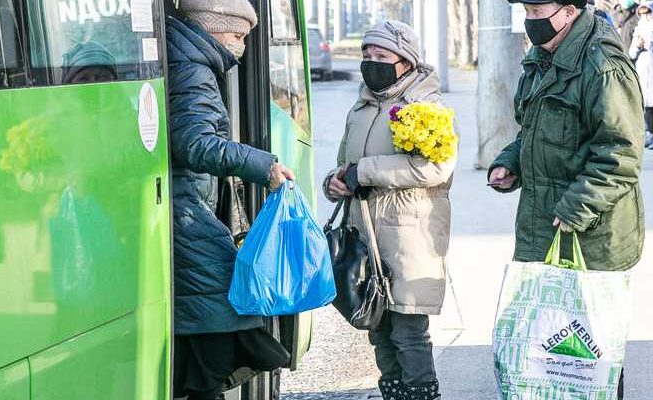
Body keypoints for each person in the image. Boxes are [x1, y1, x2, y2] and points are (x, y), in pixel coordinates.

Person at [491, 2, 645, 398]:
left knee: (592, 349)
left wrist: (576, 207)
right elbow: (532, 129)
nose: (531, 18)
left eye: (539, 8)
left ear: (570, 10)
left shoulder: (603, 65)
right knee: (548, 349)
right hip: (543, 226)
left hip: (593, 235)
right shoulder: (541, 56)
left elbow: (621, 154)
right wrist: (511, 163)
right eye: (526, 8)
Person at [165, 0, 295, 398]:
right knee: (221, 318)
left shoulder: (183, 56)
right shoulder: (194, 70)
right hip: (187, 215)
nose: (240, 48)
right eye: (237, 36)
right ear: (212, 28)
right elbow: (194, 143)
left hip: (188, 208)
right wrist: (262, 165)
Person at [323, 20, 455, 400]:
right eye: (367, 55)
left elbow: (436, 167)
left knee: (408, 331)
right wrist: (334, 182)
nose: (371, 63)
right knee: (377, 328)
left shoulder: (427, 107)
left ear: (406, 62)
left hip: (409, 237)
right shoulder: (361, 106)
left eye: (382, 56)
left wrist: (362, 172)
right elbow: (344, 163)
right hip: (365, 235)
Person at [629, 2, 653, 148]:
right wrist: (637, 45)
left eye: (647, 12)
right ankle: (650, 132)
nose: (644, 16)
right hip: (643, 69)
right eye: (641, 13)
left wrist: (648, 44)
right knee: (647, 103)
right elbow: (631, 52)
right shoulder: (639, 28)